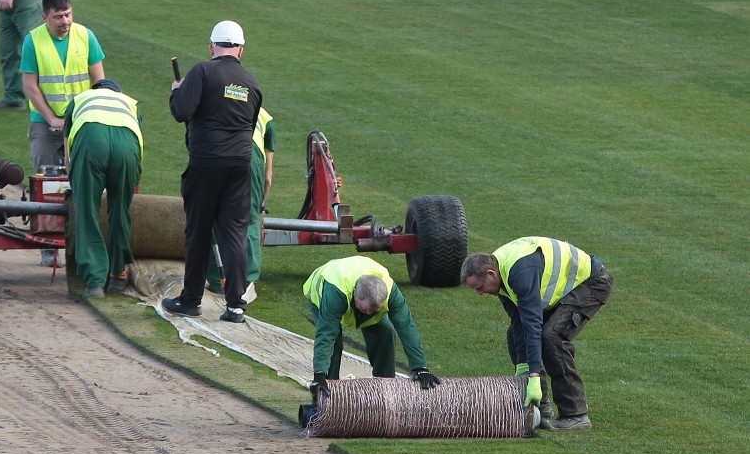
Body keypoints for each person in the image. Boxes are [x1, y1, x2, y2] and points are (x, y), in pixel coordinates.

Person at [162, 20, 262, 324]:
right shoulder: (251, 82)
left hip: (206, 164)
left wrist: (177, 92)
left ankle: (191, 299)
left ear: (211, 46)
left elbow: (182, 112)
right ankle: (235, 305)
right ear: (241, 49)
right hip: (240, 166)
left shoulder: (202, 72)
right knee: (235, 234)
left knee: (199, 231)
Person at [461, 236, 613, 430]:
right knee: (514, 335)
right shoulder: (500, 273)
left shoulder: (520, 274)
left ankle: (576, 414)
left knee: (552, 337)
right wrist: (523, 368)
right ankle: (540, 407)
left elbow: (533, 326)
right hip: (566, 286)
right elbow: (519, 322)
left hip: (591, 282)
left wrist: (532, 374)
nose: (480, 293)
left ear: (491, 274)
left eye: (479, 287)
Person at [20, 0, 104, 267]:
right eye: (58, 17)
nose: (65, 21)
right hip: (45, 124)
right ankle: (47, 245)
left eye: (68, 14)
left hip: (81, 123)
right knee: (45, 185)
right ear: (45, 17)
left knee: (81, 181)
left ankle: (79, 243)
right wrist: (52, 118)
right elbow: (31, 88)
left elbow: (99, 83)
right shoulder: (33, 41)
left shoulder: (86, 36)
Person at [303, 256, 441, 400]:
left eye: (373, 311)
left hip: (359, 294)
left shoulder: (391, 292)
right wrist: (319, 374)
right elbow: (326, 335)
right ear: (355, 292)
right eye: (364, 310)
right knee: (334, 341)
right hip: (322, 295)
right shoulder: (335, 293)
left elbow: (406, 326)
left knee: (386, 332)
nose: (368, 314)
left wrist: (421, 368)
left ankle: (385, 387)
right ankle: (327, 393)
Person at [62, 79, 143, 300]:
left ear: (95, 90)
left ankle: (95, 282)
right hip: (127, 151)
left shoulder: (80, 99)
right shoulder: (130, 103)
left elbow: (67, 142)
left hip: (91, 144)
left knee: (87, 211)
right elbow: (137, 138)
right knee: (120, 210)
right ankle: (118, 273)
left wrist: (74, 180)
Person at [206, 106, 275, 299]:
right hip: (249, 158)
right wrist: (260, 204)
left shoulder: (217, 101)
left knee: (214, 216)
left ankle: (216, 280)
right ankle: (247, 281)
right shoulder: (265, 118)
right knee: (249, 219)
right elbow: (268, 177)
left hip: (216, 154)